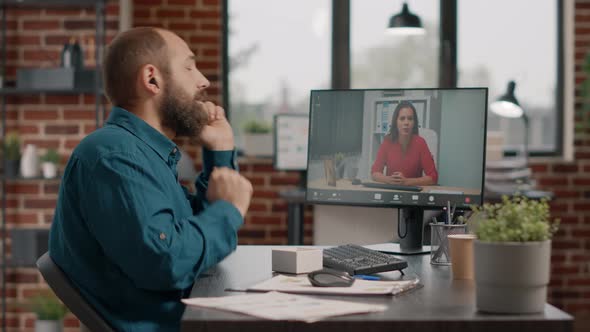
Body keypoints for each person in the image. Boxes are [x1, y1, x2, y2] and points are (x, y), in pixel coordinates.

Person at [48, 27, 253, 332]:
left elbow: (193, 242)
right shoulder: (115, 156)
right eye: (189, 66)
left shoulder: (143, 154)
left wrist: (219, 152)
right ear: (152, 79)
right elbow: (168, 263)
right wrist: (228, 210)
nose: (203, 81)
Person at [371, 101, 438, 186]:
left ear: (414, 123)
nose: (406, 123)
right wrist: (389, 180)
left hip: (413, 193)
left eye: (410, 119)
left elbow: (433, 177)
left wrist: (406, 181)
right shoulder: (387, 141)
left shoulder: (421, 143)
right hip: (391, 191)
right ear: (396, 122)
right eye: (402, 119)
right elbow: (374, 172)